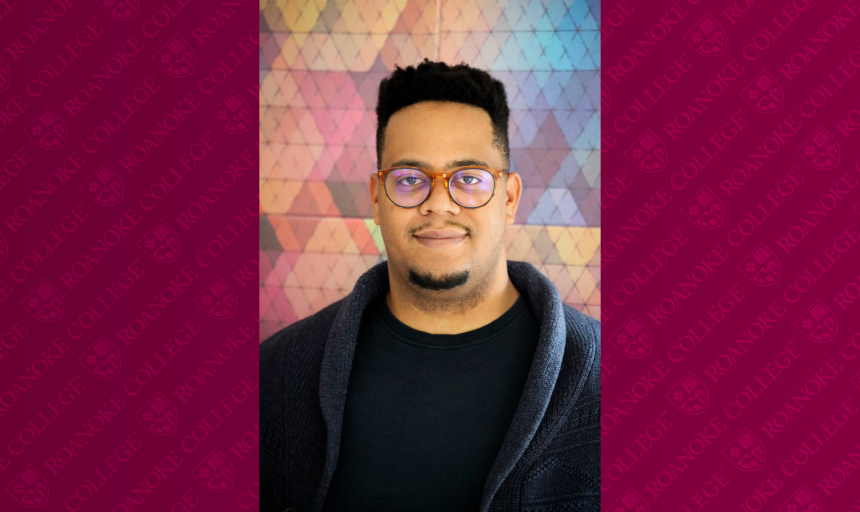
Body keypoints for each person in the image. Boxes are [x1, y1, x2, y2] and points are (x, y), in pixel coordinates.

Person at [260, 59, 600, 512]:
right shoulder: (276, 375)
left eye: (470, 179)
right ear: (377, 200)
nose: (439, 204)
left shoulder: (609, 386)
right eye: (408, 179)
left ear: (510, 198)